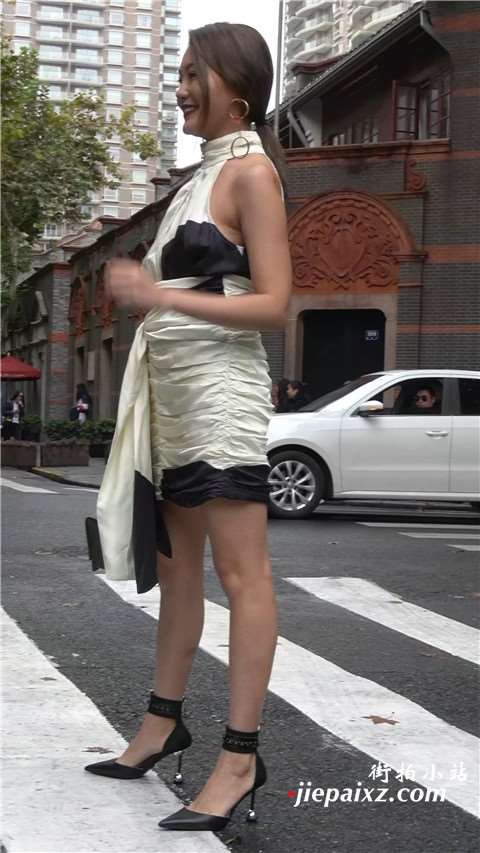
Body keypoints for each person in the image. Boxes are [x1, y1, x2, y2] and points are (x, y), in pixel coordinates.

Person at [86, 22, 291, 834]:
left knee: (243, 574)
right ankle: (162, 722)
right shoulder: (199, 178)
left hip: (221, 395)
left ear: (235, 87)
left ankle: (240, 757)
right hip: (172, 396)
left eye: (191, 73)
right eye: (178, 74)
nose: (179, 89)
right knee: (176, 570)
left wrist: (159, 294)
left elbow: (274, 305)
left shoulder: (252, 174)